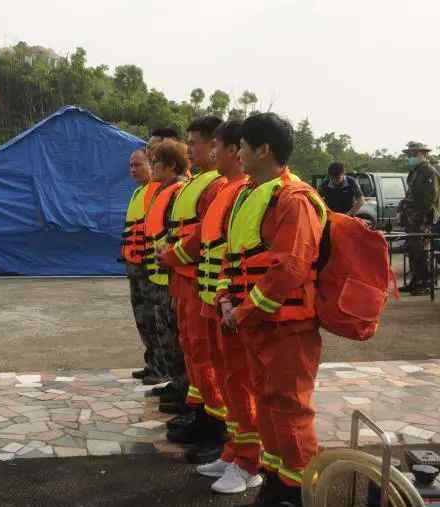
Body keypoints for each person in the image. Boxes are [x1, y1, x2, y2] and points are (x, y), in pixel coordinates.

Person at [220, 113, 327, 506]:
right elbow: (235, 258)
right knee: (267, 407)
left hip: (288, 330)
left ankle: (302, 492)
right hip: (258, 326)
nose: (238, 153)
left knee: (291, 410)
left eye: (244, 146)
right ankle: (279, 482)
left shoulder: (294, 200)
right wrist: (226, 300)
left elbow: (290, 270)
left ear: (264, 149)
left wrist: (243, 312)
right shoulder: (252, 195)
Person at [192, 121, 262, 494]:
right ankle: (235, 451)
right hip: (215, 302)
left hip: (236, 309)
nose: (212, 152)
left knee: (245, 385)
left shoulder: (249, 193)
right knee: (230, 383)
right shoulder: (233, 193)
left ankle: (250, 462)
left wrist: (237, 305)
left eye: (216, 145)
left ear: (238, 149)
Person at [158, 116, 229, 465]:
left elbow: (204, 235)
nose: (191, 148)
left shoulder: (218, 186)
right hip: (184, 279)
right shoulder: (199, 183)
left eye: (197, 141)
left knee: (207, 356)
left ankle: (217, 426)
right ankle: (202, 413)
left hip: (201, 281)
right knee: (193, 352)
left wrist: (172, 255)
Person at [141, 139, 191, 403]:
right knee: (167, 335)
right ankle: (177, 382)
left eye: (156, 162)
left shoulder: (179, 192)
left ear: (171, 166)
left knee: (177, 337)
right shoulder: (165, 190)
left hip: (172, 276)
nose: (153, 167)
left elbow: (179, 236)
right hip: (159, 274)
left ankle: (185, 389)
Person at [120, 149, 156, 380]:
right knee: (141, 316)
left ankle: (162, 366)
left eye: (138, 165)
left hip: (148, 264)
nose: (133, 170)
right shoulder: (137, 193)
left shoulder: (156, 192)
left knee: (154, 317)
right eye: (131, 166)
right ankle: (152, 362)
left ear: (151, 165)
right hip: (133, 263)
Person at [399, 142, 440, 295]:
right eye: (409, 154)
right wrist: (401, 209)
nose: (411, 157)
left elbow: (431, 198)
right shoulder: (416, 171)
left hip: (421, 219)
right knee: (412, 249)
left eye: (414, 154)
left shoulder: (429, 172)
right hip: (412, 218)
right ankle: (416, 281)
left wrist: (422, 218)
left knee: (422, 251)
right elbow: (410, 195)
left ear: (424, 154)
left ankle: (425, 283)